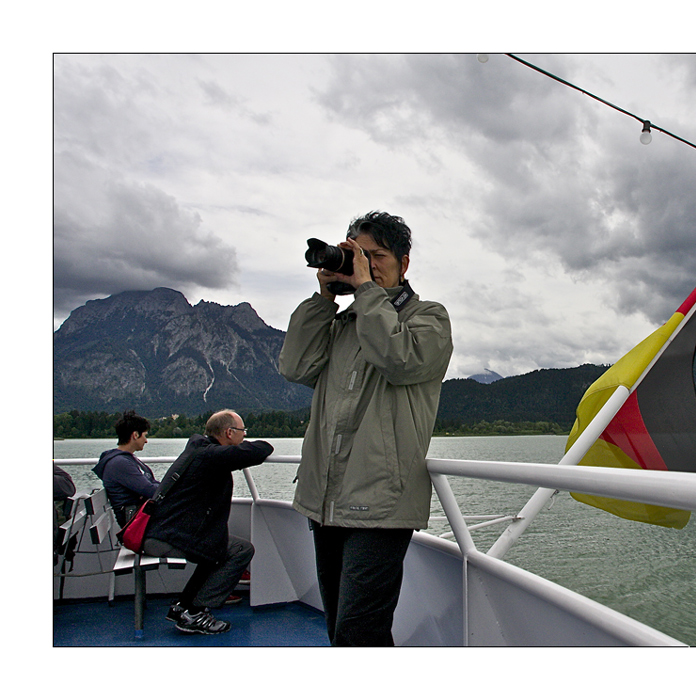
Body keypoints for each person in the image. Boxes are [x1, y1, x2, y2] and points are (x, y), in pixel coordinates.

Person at [279, 211, 452, 645]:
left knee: (360, 633)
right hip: (326, 498)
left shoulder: (428, 317)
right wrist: (323, 300)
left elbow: (400, 359)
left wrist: (367, 292)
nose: (367, 265)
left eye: (377, 256)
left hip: (379, 503)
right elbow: (294, 366)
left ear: (404, 264)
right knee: (340, 625)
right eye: (358, 255)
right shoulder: (341, 323)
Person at [143, 410, 273, 635]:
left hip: (167, 530)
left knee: (215, 547)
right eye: (243, 432)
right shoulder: (211, 456)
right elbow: (261, 449)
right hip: (169, 535)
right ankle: (194, 612)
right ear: (229, 433)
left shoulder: (199, 449)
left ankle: (183, 607)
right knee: (238, 550)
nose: (244, 436)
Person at [93, 410, 160, 527]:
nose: (146, 440)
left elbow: (152, 484)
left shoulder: (128, 460)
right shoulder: (119, 464)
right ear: (135, 435)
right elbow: (150, 490)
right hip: (136, 527)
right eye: (145, 436)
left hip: (143, 518)